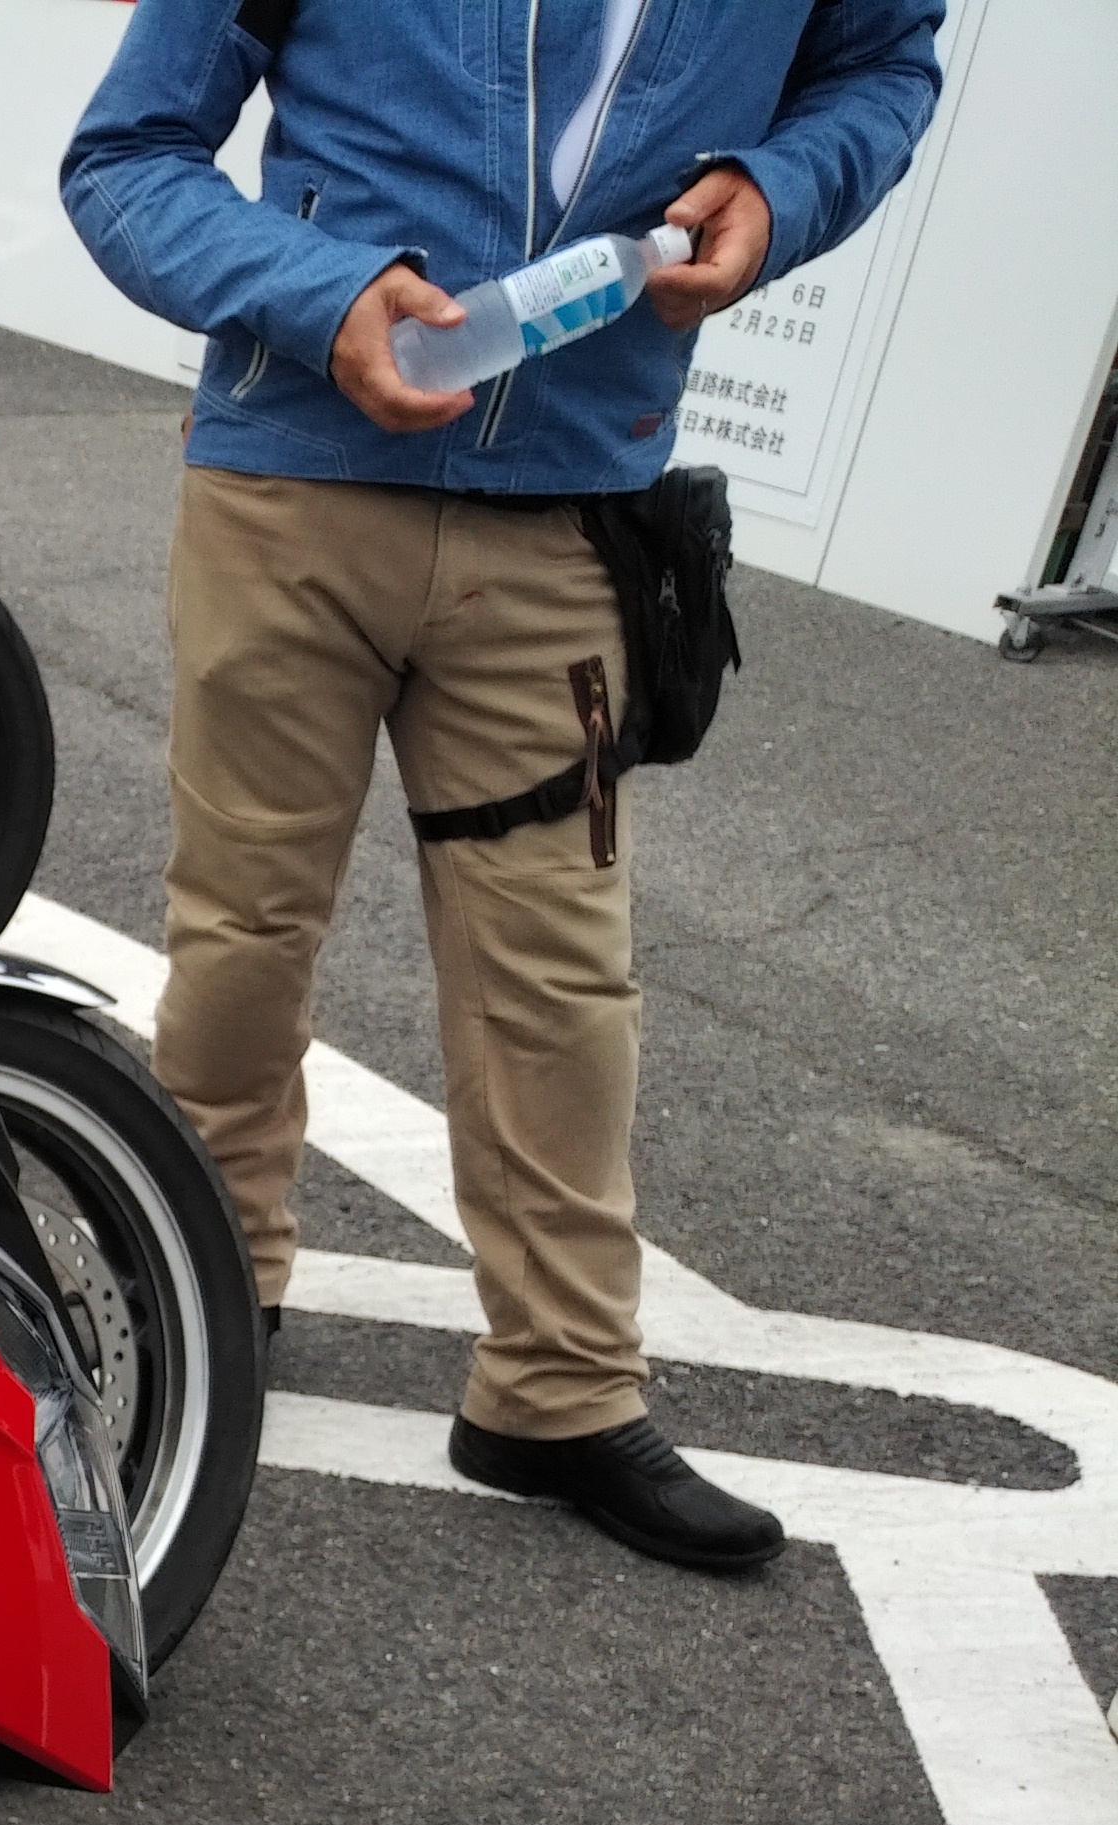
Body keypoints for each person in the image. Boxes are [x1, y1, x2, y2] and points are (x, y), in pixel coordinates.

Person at [60, 0, 942, 1572]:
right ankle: (213, 1276)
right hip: (291, 485)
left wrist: (782, 186)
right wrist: (322, 294)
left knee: (559, 974)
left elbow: (882, 65)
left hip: (573, 509)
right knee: (244, 932)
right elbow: (125, 158)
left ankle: (561, 1388)